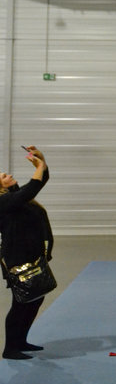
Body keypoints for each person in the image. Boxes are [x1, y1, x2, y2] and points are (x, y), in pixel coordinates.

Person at [0, 146, 53, 360]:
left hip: (33, 256)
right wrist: (38, 167)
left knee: (35, 299)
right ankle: (10, 348)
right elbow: (33, 187)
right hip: (17, 258)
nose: (9, 175)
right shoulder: (4, 202)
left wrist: (41, 160)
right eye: (4, 176)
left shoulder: (16, 197)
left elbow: (41, 181)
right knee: (20, 303)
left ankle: (21, 341)